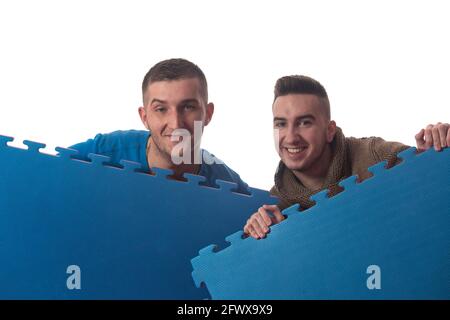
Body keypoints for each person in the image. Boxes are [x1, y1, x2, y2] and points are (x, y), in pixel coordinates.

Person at [244, 75, 450, 239]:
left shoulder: (376, 155)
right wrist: (258, 233)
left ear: (329, 130)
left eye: (304, 122)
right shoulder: (274, 204)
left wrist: (433, 157)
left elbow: (433, 198)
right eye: (281, 124)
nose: (290, 137)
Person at [69, 58, 248, 192]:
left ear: (208, 114)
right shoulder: (102, 152)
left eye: (187, 107)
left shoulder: (230, 187)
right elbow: (45, 176)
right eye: (161, 109)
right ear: (144, 117)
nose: (176, 123)